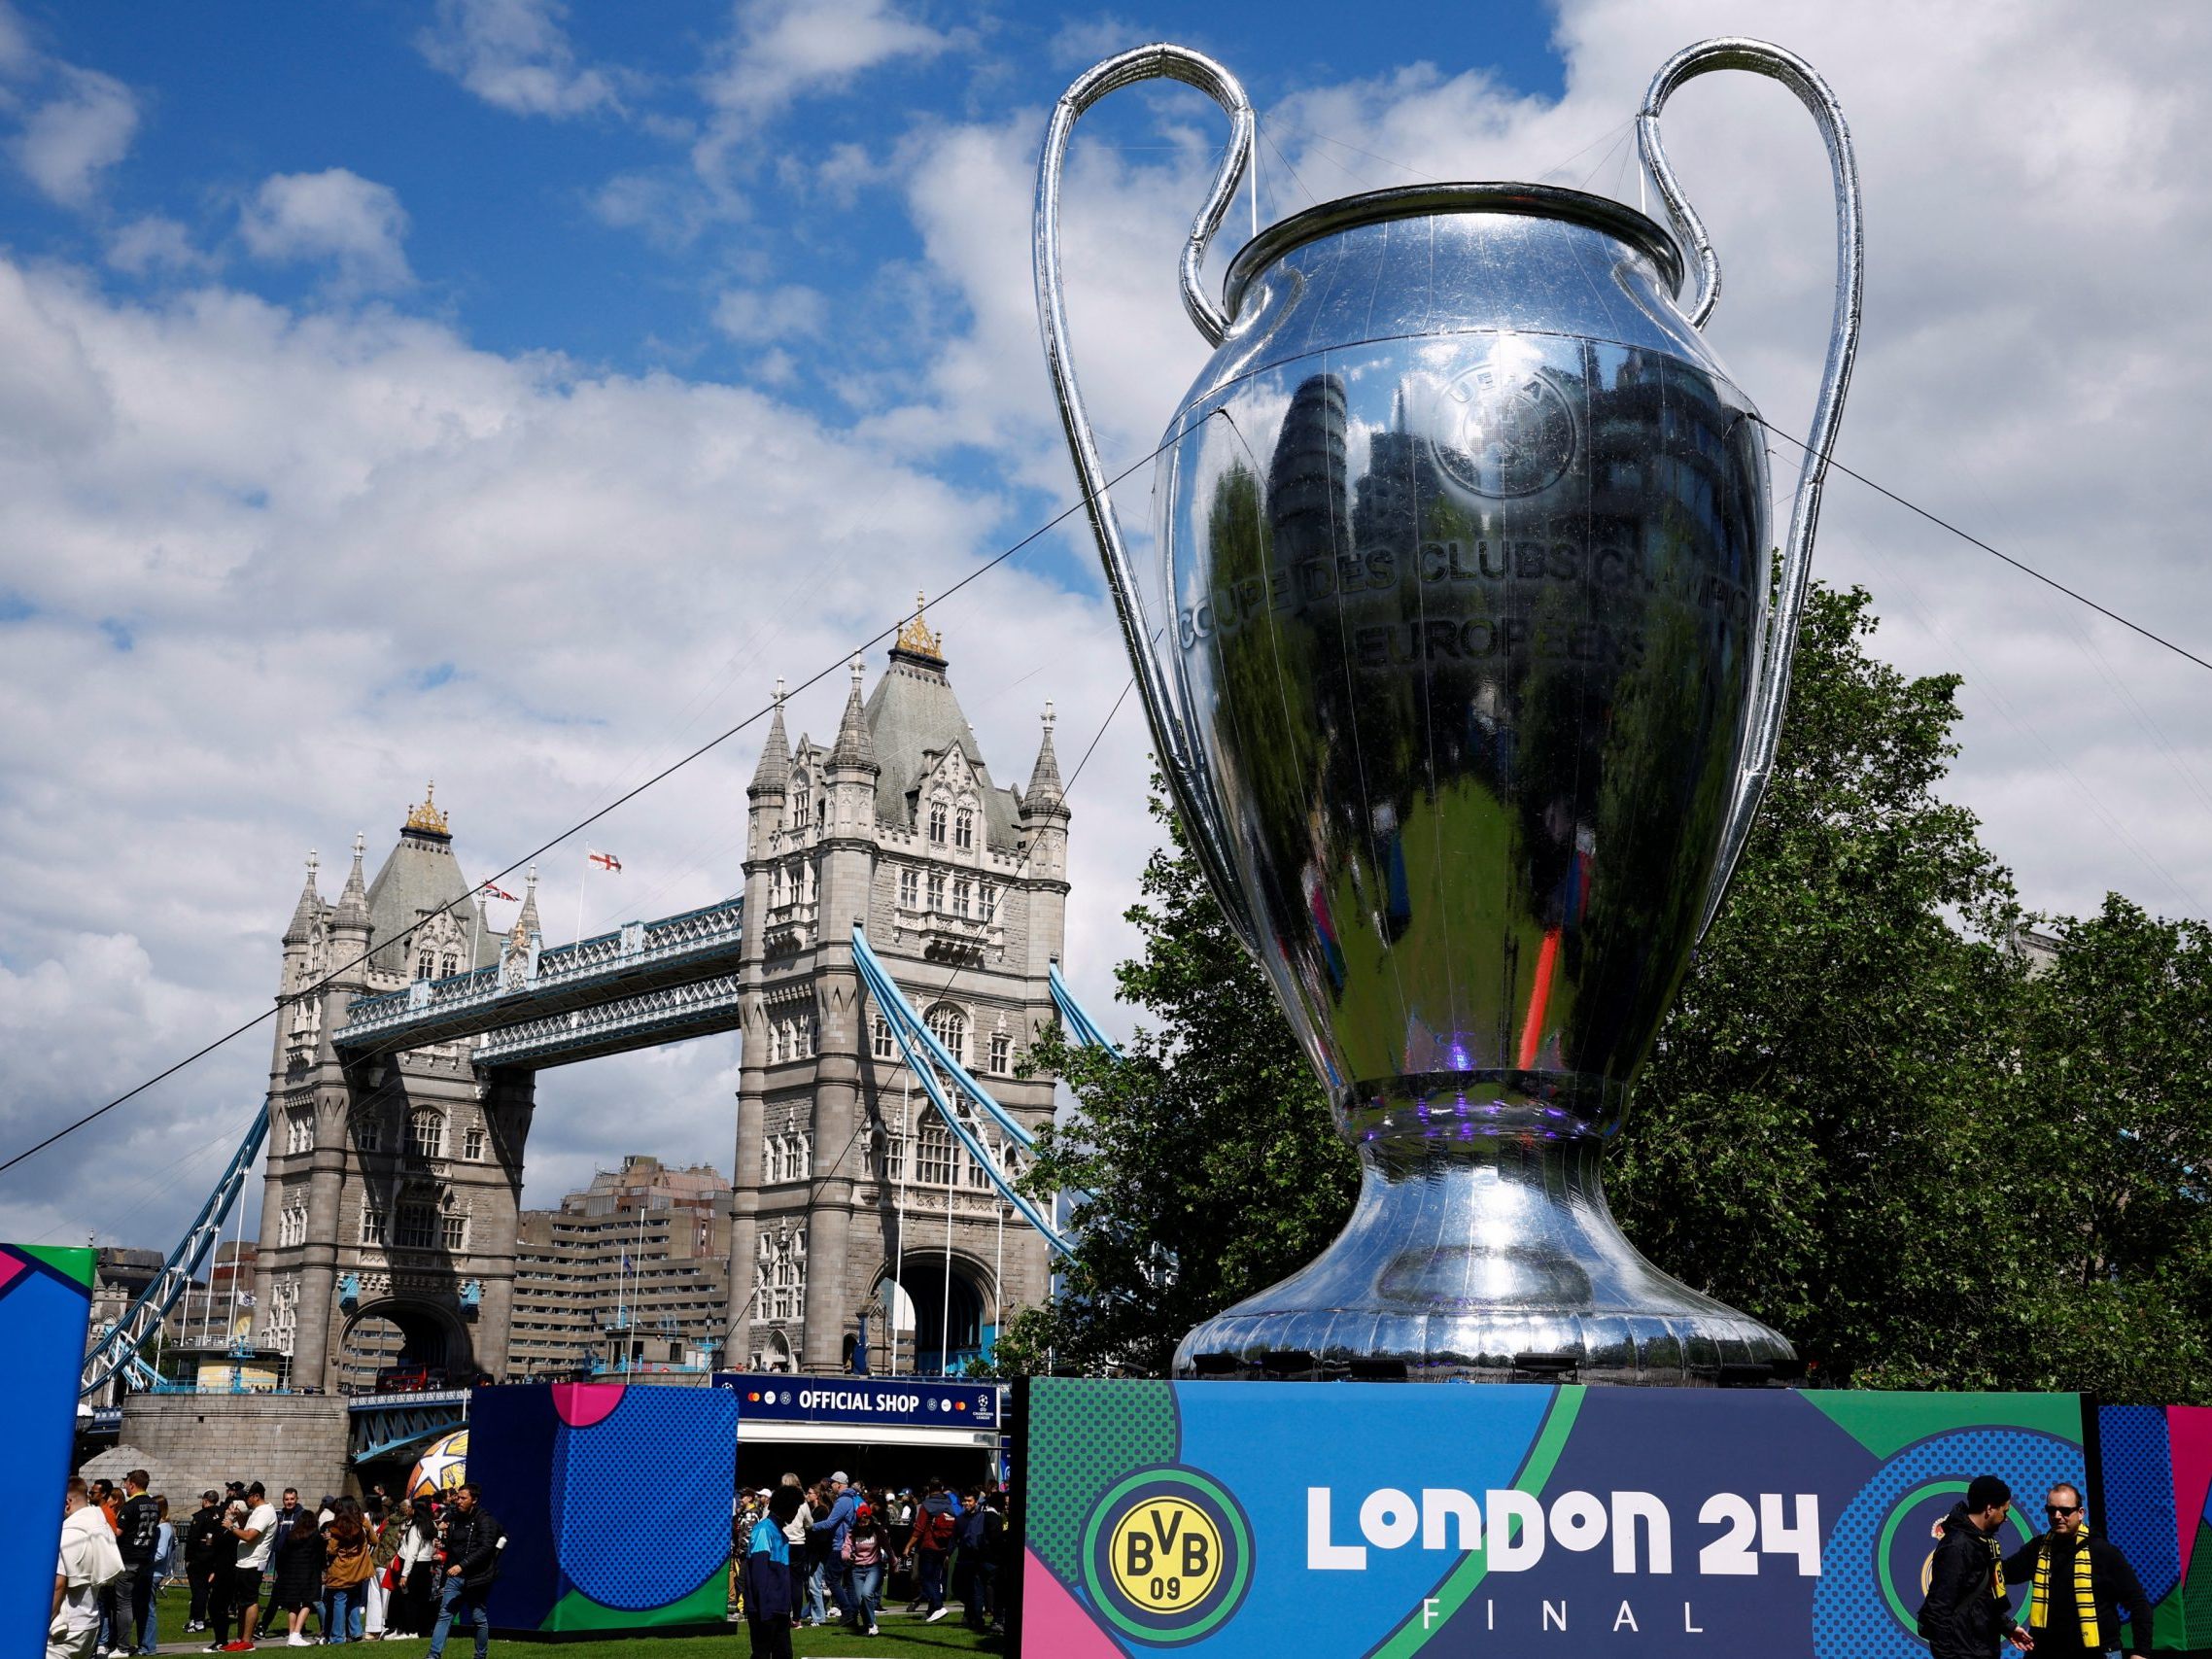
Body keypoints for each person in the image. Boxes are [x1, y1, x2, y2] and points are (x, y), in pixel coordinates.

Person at [2002, 1483, 2153, 1657]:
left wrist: (2141, 1652)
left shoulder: (2103, 1552)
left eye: (2065, 1511)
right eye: (2051, 1510)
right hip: (2046, 1650)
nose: (2057, 1516)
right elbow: (1999, 1575)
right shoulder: (2037, 1549)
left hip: (2098, 1652)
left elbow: (2139, 1604)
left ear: (2081, 1513)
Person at [1921, 1474, 2034, 1658]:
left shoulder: (1983, 1542)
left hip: (1982, 1649)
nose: (2005, 1518)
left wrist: (2008, 1627)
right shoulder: (1957, 1546)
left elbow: (1983, 1599)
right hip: (1963, 1652)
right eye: (2004, 1511)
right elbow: (1938, 1610)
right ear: (1989, 1508)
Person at [426, 1482, 503, 1659]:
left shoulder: (485, 1520)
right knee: (444, 1615)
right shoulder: (454, 1518)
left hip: (477, 1577)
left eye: (463, 1498)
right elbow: (456, 1545)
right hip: (455, 1576)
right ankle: (433, 1655)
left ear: (474, 1500)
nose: (458, 1501)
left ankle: (480, 1655)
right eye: (457, 1497)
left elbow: (485, 1548)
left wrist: (462, 1565)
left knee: (478, 1618)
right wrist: (443, 1543)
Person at [55, 1476, 126, 1659]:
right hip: (89, 1620)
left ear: (66, 1502)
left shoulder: (70, 1532)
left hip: (66, 1626)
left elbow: (59, 1584)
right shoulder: (98, 1526)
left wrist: (40, 1623)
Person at [210, 1482, 278, 1653]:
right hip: (244, 1561)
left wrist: (231, 1526)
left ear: (256, 1496)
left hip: (253, 1562)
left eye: (247, 1496)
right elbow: (247, 1527)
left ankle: (247, 1640)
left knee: (250, 1600)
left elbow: (249, 1536)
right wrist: (239, 1517)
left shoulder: (265, 1512)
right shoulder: (257, 1511)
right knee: (242, 1602)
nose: (245, 1500)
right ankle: (240, 1638)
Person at [743, 1487, 803, 1659]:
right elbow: (759, 1574)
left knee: (784, 1654)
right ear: (787, 1507)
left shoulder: (781, 1535)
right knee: (762, 1654)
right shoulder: (763, 1530)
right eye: (796, 1508)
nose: (797, 1512)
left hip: (780, 1608)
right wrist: (764, 1609)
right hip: (765, 1608)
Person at [110, 1470, 160, 1657]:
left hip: (127, 1556)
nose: (124, 1487)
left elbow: (118, 1532)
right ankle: (139, 1644)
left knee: (123, 1604)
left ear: (132, 1485)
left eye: (126, 1483)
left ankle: (122, 1646)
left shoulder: (131, 1505)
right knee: (136, 1603)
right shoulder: (154, 1505)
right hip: (143, 1557)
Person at [272, 1503, 326, 1645]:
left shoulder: (291, 1535)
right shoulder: (315, 1536)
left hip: (291, 1573)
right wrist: (324, 1569)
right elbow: (321, 1556)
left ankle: (292, 1634)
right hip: (309, 1573)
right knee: (308, 1602)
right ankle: (296, 1633)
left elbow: (283, 1553)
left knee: (293, 1604)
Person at [325, 1496, 375, 1645]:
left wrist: (328, 1540)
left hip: (341, 1570)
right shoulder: (362, 1522)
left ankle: (338, 1637)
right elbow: (375, 1540)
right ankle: (356, 1632)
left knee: (339, 1601)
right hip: (359, 1569)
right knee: (354, 1600)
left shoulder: (336, 1527)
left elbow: (332, 1550)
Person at [391, 1498, 441, 1637]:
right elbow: (432, 1547)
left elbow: (412, 1553)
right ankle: (419, 1629)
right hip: (425, 1565)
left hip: (414, 1565)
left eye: (411, 1508)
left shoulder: (415, 1528)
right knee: (421, 1599)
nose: (409, 1510)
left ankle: (409, 1630)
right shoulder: (431, 1525)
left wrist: (404, 1574)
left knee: (409, 1599)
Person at [954, 1486, 1002, 1631]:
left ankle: (976, 1619)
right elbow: (996, 1539)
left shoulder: (977, 1517)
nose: (965, 1503)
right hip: (991, 1559)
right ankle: (997, 1620)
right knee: (996, 1590)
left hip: (976, 1558)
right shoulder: (994, 1518)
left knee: (977, 1591)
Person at [913, 1478, 957, 1624]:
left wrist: (908, 1546)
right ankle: (931, 1610)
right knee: (935, 1579)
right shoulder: (949, 1504)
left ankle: (938, 1606)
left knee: (924, 1578)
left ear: (929, 1489)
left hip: (928, 1545)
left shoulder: (926, 1505)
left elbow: (919, 1529)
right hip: (943, 1546)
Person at [844, 1502, 888, 1638]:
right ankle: (870, 1624)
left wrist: (893, 1561)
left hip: (873, 1567)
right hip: (857, 1569)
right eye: (860, 1522)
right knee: (860, 1601)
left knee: (867, 1594)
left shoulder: (877, 1531)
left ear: (870, 1520)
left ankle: (871, 1625)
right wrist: (847, 1556)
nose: (863, 1524)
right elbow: (845, 1548)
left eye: (865, 1521)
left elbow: (887, 1547)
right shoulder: (852, 1533)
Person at [185, 1492, 225, 1634]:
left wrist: (188, 1558)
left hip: (200, 1557)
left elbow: (193, 1539)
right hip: (216, 1557)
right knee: (205, 1590)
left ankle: (198, 1621)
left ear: (206, 1501)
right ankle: (194, 1618)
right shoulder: (222, 1514)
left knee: (199, 1590)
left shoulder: (201, 1516)